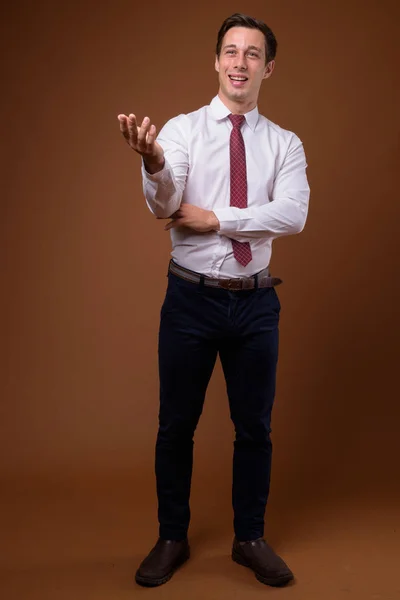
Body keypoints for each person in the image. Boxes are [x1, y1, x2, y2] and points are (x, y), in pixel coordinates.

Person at [118, 12, 310, 588]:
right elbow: (164, 202)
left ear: (267, 68)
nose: (240, 62)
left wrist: (217, 218)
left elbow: (294, 213)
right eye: (231, 51)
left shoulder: (285, 144)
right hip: (191, 301)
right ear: (216, 61)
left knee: (255, 428)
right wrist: (152, 164)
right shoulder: (180, 131)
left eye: (253, 54)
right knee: (176, 425)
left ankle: (249, 537)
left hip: (256, 305)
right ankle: (171, 536)